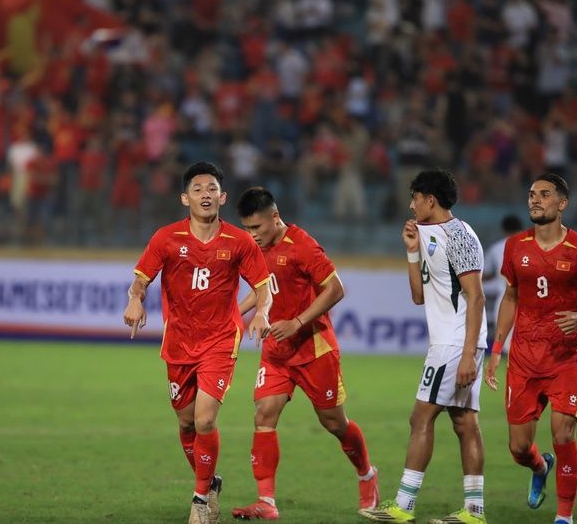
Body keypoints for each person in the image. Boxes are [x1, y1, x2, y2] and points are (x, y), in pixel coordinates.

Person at [123, 161, 272, 524]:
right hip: (178, 341)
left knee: (205, 420)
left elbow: (263, 286)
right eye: (197, 189)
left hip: (220, 339)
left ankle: (200, 498)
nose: (205, 194)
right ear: (184, 197)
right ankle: (211, 480)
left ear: (222, 197)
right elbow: (141, 279)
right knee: (187, 422)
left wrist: (263, 313)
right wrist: (134, 298)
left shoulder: (239, 241)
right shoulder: (166, 238)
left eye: (211, 189)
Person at [230, 187, 379, 520]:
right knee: (264, 414)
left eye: (258, 228)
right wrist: (236, 315)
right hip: (276, 350)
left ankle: (367, 474)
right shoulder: (256, 248)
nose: (252, 235)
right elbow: (264, 287)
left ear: (275, 217)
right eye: (247, 229)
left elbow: (336, 288)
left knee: (334, 423)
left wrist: (297, 321)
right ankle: (266, 502)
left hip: (314, 348)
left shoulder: (303, 246)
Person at [484, 173, 577, 524]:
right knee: (518, 448)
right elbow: (510, 296)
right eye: (531, 194)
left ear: (562, 204)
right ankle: (540, 467)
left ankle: (564, 517)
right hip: (525, 357)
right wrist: (496, 349)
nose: (535, 200)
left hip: (568, 356)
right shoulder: (515, 247)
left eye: (544, 194)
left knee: (562, 431)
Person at [360, 169, 488, 524]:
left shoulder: (459, 235)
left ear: (430, 199)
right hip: (452, 341)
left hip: (454, 343)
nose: (411, 203)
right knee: (464, 423)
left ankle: (403, 505)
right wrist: (413, 253)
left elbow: (475, 297)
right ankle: (475, 511)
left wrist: (466, 355)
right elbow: (418, 296)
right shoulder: (429, 235)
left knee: (421, 417)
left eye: (415, 197)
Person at [482, 214, 524, 353]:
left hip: (505, 299)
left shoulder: (497, 247)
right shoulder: (532, 244)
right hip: (531, 298)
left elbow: (487, 274)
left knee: (507, 342)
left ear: (504, 229)